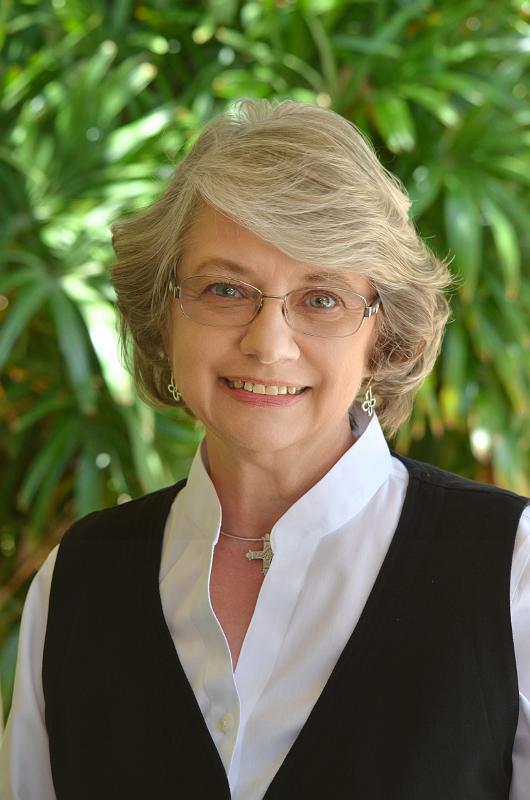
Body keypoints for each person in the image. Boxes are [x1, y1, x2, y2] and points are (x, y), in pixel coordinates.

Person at [0, 99, 528, 800]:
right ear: (163, 313)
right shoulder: (77, 580)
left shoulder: (514, 572)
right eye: (225, 289)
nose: (268, 344)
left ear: (383, 336)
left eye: (322, 298)